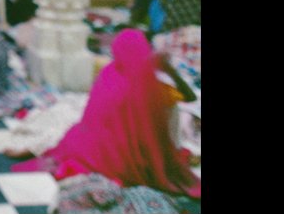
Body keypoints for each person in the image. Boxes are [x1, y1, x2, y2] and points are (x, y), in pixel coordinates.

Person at [11, 28, 201, 201]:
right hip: (136, 157)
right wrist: (167, 68)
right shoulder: (152, 86)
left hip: (99, 151)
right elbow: (189, 98)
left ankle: (32, 148)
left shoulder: (108, 74)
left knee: (72, 136)